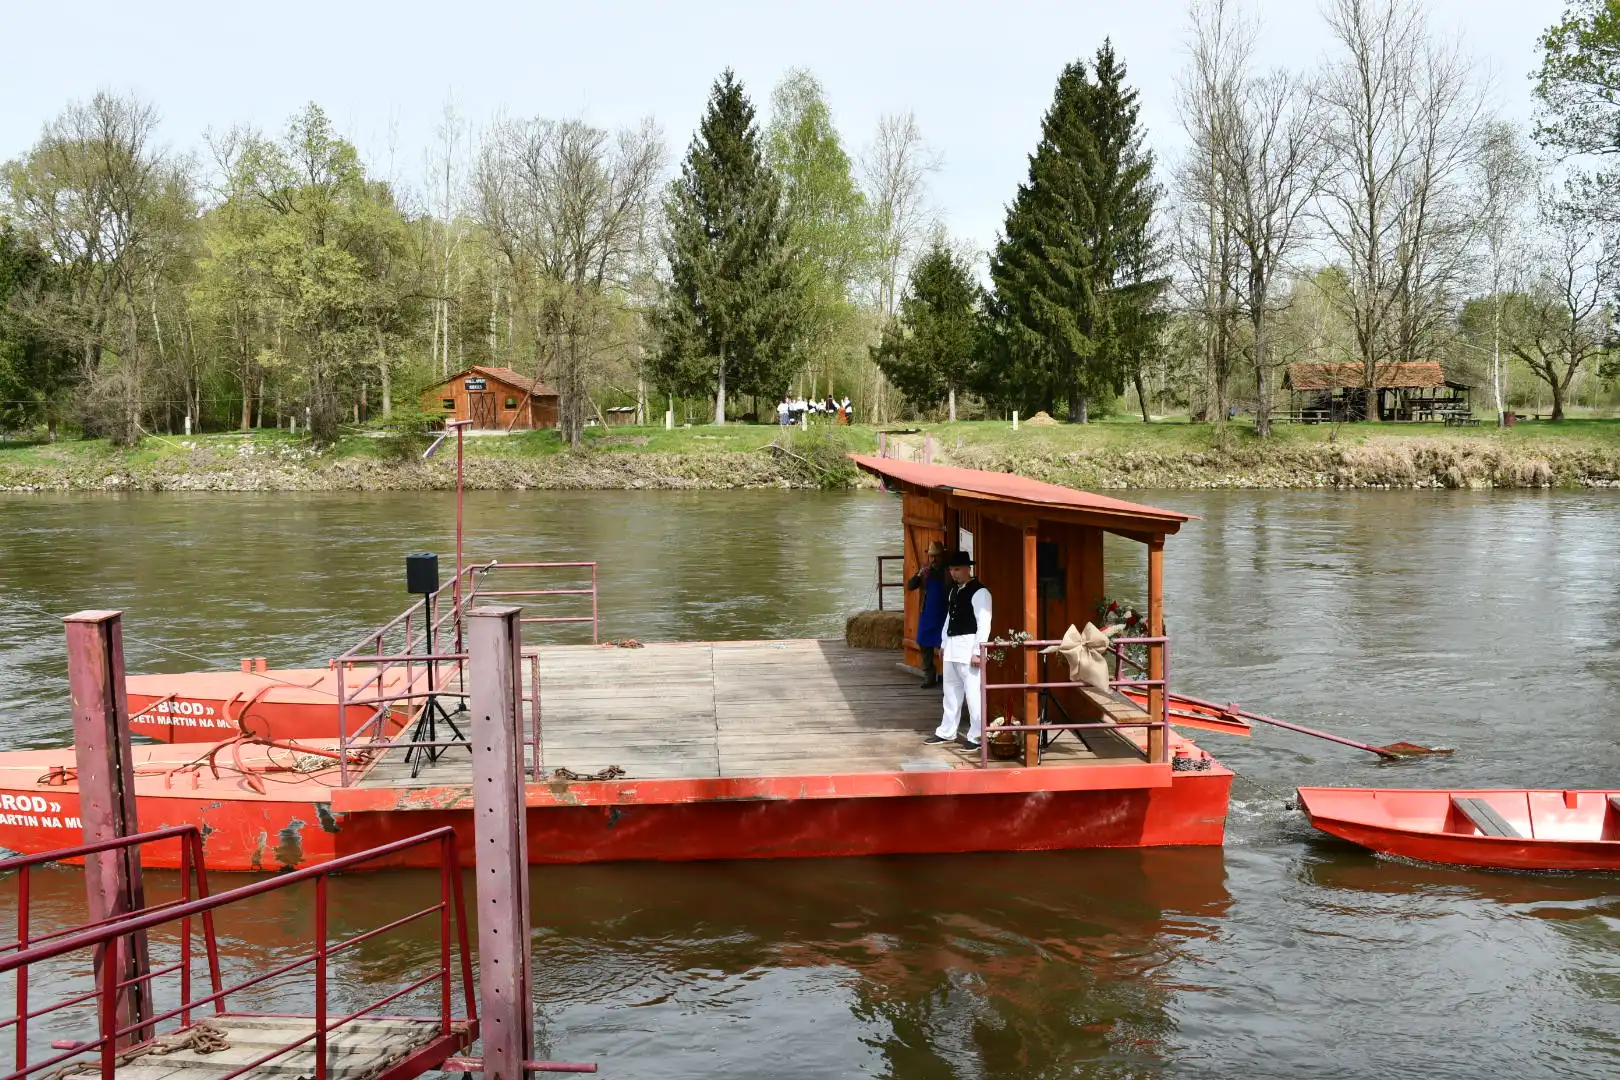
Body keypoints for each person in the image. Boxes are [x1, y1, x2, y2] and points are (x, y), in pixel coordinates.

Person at [925, 551, 991, 750]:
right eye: (951, 570)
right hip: (953, 647)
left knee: (973, 694)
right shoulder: (954, 590)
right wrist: (944, 644)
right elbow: (949, 618)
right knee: (950, 692)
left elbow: (984, 623)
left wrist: (978, 651)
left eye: (957, 569)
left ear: (967, 569)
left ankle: (977, 735)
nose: (953, 573)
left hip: (969, 646)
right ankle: (947, 731)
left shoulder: (980, 592)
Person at [907, 541, 949, 688]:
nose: (934, 559)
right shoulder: (925, 571)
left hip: (943, 615)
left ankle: (947, 676)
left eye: (936, 556)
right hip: (927, 614)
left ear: (942, 556)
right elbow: (910, 586)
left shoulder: (948, 572)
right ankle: (929, 676)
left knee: (945, 646)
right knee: (924, 643)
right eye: (931, 556)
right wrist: (919, 575)